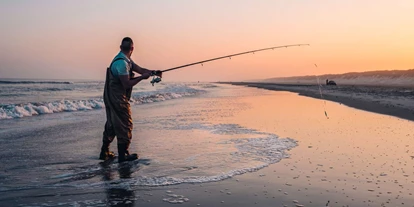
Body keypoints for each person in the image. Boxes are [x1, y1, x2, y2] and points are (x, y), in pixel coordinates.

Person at [99, 37, 162, 162]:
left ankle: (104, 151)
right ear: (132, 49)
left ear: (121, 47)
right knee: (125, 124)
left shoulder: (125, 60)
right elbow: (126, 84)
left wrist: (153, 72)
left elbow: (141, 70)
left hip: (110, 96)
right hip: (117, 98)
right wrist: (141, 78)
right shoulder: (122, 63)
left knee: (112, 124)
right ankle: (123, 155)